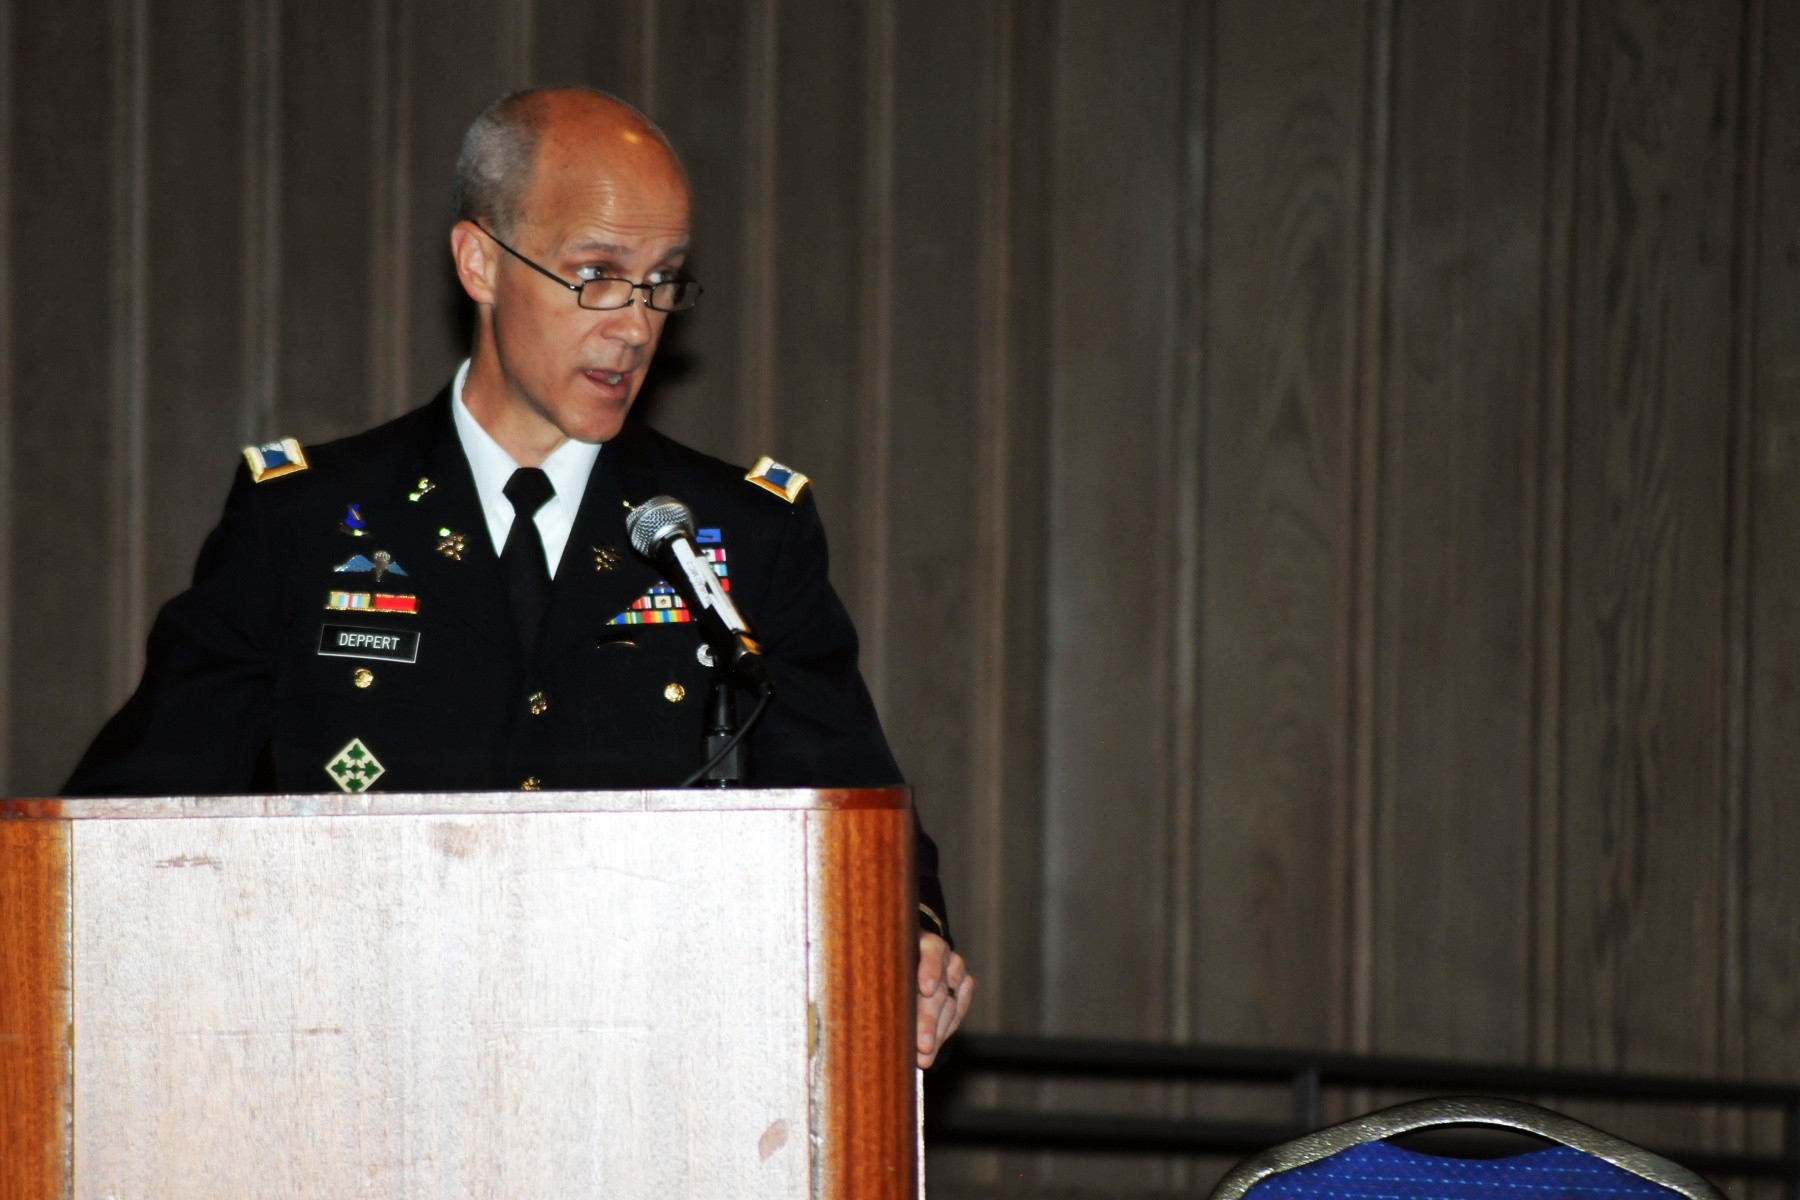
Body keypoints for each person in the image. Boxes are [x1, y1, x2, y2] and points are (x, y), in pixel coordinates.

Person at [64, 86, 972, 1067]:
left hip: (643, 1079)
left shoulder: (741, 538)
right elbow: (130, 820)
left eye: (664, 280)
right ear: (480, 262)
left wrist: (912, 943)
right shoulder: (305, 521)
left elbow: (859, 819)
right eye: (596, 274)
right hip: (358, 1071)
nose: (634, 325)